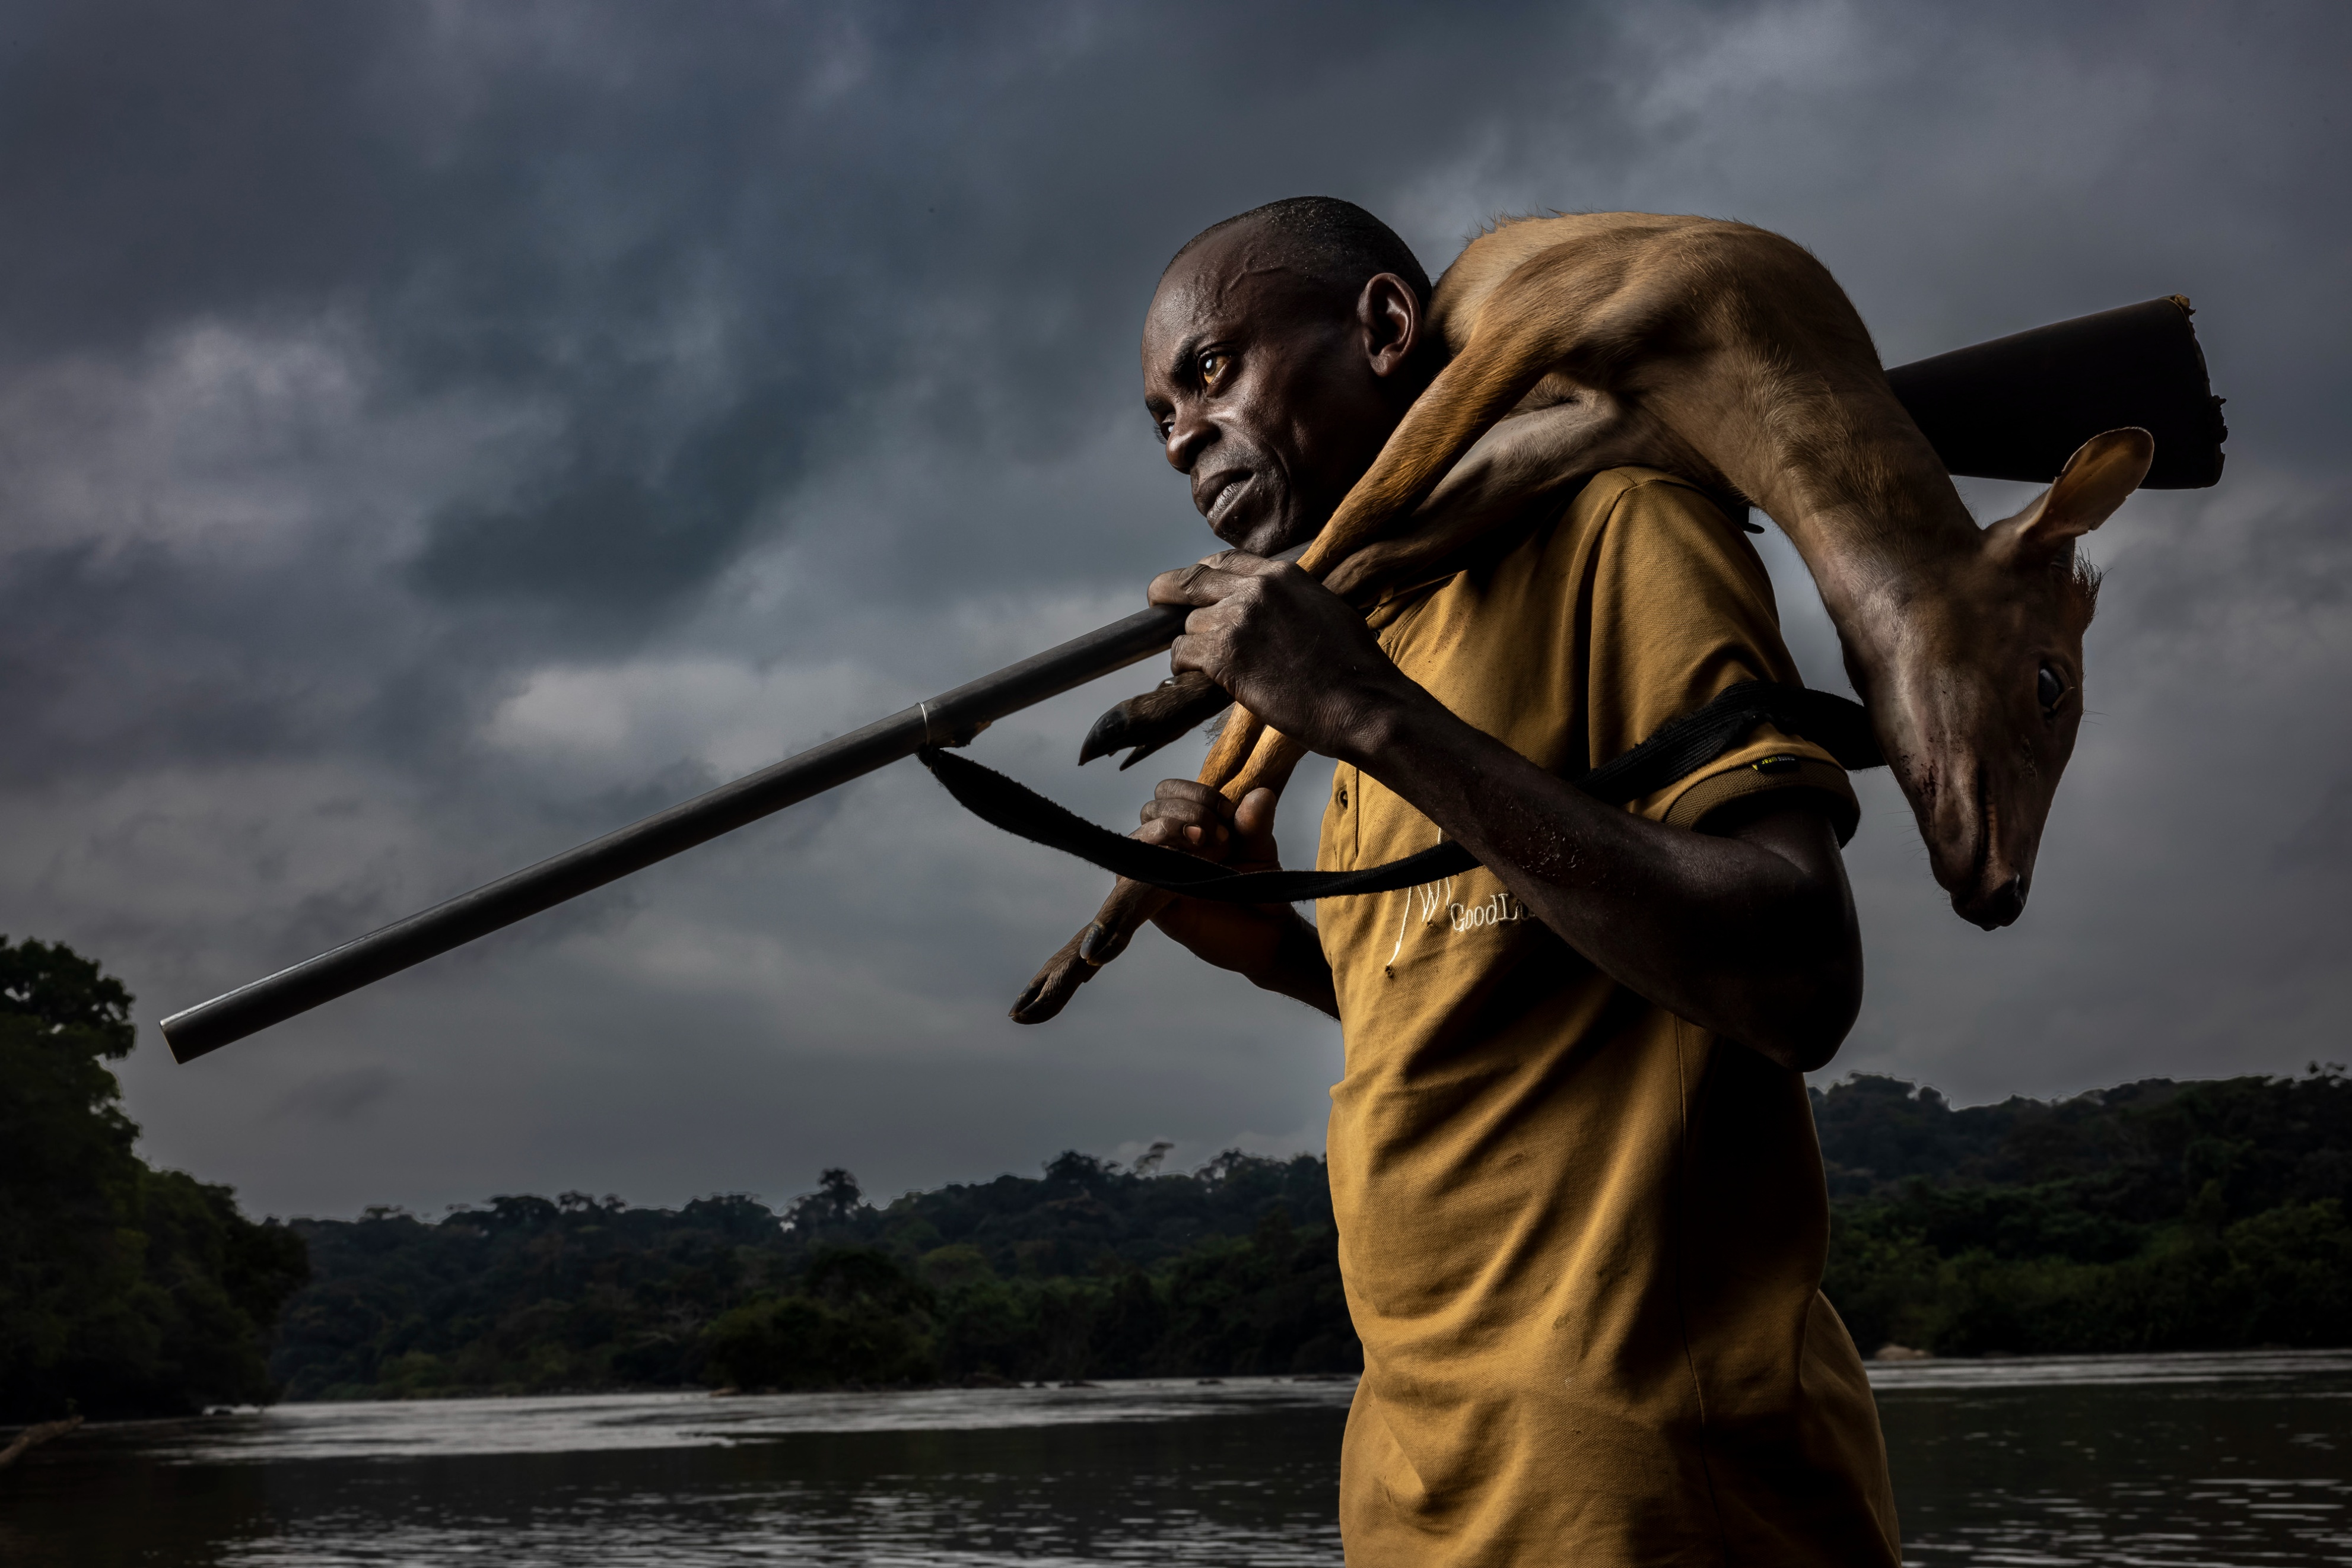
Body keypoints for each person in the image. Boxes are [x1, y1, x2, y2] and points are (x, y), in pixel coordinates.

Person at [1131, 196, 1902, 1565]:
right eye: (1159, 419)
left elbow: (1794, 976)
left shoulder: (1621, 530)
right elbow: (1501, 991)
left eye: (1209, 369)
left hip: (1651, 1490)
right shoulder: (1364, 631)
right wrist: (1269, 942)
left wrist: (1369, 714)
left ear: (1380, 327)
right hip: (1418, 1489)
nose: (1183, 431)